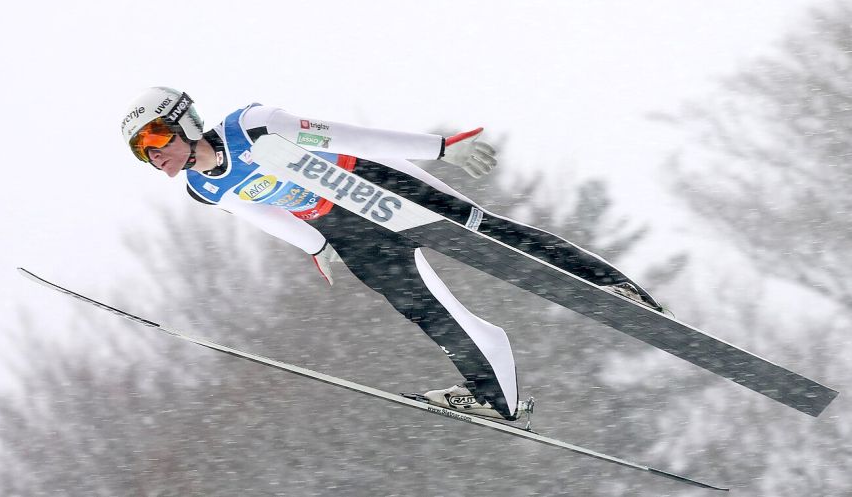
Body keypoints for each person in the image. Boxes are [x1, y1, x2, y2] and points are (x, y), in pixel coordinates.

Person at [120, 87, 663, 421]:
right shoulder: (203, 188)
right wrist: (317, 246)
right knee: (422, 308)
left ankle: (612, 287)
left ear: (184, 121)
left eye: (156, 139)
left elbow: (350, 137)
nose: (155, 156)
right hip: (344, 229)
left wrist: (440, 149)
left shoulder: (253, 127)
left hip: (375, 185)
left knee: (495, 238)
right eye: (143, 153)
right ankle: (494, 392)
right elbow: (260, 212)